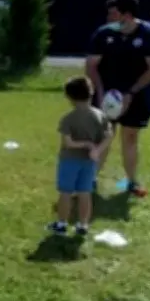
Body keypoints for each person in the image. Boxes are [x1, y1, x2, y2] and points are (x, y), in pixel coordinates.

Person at [85, 0, 150, 196]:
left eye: (113, 14)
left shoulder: (149, 33)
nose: (108, 18)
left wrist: (130, 93)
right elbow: (91, 65)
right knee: (103, 135)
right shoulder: (103, 34)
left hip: (137, 94)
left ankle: (131, 182)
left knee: (130, 137)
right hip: (106, 94)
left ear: (127, 15)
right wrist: (100, 93)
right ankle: (89, 180)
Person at [49, 77, 113, 236]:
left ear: (69, 97)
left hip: (69, 161)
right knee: (85, 193)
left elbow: (68, 143)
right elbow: (108, 136)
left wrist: (86, 145)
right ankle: (83, 225)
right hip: (89, 162)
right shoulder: (100, 116)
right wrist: (96, 150)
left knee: (65, 193)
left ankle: (61, 224)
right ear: (91, 93)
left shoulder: (68, 119)